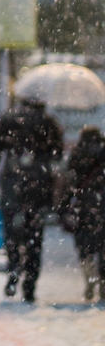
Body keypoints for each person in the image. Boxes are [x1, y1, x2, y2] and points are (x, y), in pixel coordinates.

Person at [0, 96, 63, 303]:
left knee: (12, 233)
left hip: (13, 184)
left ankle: (13, 269)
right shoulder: (49, 124)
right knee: (35, 238)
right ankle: (30, 284)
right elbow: (57, 155)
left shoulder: (10, 121)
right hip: (39, 187)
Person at [64, 125, 105, 301]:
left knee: (84, 246)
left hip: (84, 205)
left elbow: (70, 182)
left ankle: (90, 279)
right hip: (103, 205)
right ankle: (103, 282)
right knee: (103, 247)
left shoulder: (78, 153)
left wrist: (65, 204)